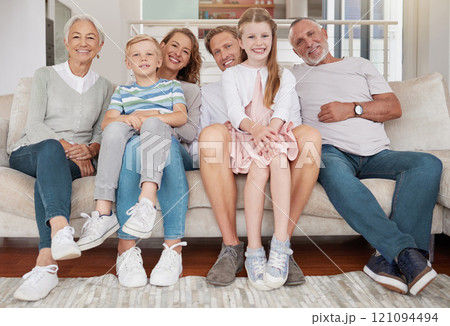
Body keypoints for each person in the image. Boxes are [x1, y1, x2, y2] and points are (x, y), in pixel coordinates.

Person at [288, 17, 443, 296]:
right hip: (331, 152)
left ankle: (388, 259)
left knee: (427, 163)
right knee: (330, 168)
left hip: (376, 154)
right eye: (299, 41)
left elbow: (394, 108)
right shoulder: (293, 75)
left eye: (311, 34)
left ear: (324, 33)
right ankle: (408, 256)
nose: (308, 42)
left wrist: (352, 109)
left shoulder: (359, 65)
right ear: (296, 51)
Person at [78, 28, 202, 288]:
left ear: (158, 59)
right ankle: (122, 242)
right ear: (128, 62)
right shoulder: (124, 91)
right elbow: (109, 121)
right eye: (136, 55)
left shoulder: (175, 88)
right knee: (133, 146)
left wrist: (149, 118)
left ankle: (170, 246)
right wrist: (129, 120)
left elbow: (183, 122)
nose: (143, 59)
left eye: (148, 54)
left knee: (152, 134)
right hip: (138, 147)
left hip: (169, 145)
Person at [199, 24, 321, 287]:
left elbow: (292, 122)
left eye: (228, 46)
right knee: (210, 135)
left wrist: (269, 141)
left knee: (310, 136)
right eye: (216, 52)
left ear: (242, 44)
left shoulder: (276, 77)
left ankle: (282, 245)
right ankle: (232, 247)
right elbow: (201, 139)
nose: (223, 54)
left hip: (274, 144)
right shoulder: (209, 92)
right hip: (232, 150)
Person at [9, 14, 114, 301]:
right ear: (66, 43)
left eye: (91, 37)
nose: (83, 42)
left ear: (100, 45)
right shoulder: (45, 75)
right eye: (77, 36)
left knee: (51, 175)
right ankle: (61, 228)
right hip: (33, 150)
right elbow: (34, 126)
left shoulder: (106, 86)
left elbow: (99, 131)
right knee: (51, 149)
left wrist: (91, 151)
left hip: (73, 160)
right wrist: (69, 146)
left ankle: (47, 264)